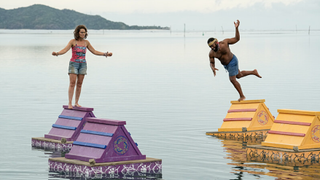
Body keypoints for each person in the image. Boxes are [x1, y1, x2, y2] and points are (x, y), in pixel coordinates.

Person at [52, 25, 112, 109]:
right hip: (74, 64)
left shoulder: (86, 42)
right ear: (78, 33)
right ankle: (70, 103)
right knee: (72, 83)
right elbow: (65, 50)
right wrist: (57, 53)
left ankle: (76, 102)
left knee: (79, 84)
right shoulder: (73, 41)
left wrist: (105, 54)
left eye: (84, 32)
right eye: (82, 32)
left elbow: (94, 51)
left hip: (83, 64)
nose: (83, 34)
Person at [207, 20, 261, 102]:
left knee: (232, 79)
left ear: (217, 42)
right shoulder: (212, 53)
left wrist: (236, 28)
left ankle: (242, 96)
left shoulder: (224, 43)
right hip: (227, 66)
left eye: (213, 46)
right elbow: (211, 62)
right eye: (210, 47)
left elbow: (237, 39)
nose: (212, 48)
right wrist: (212, 68)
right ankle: (253, 72)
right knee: (238, 75)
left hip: (232, 60)